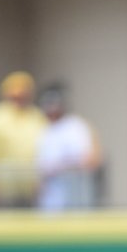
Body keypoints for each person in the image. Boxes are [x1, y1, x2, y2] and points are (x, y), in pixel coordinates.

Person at [0, 71, 47, 208]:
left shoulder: (38, 117)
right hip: (3, 189)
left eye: (23, 95)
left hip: (32, 187)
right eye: (15, 95)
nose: (19, 99)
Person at [35, 81, 101, 211]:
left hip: (73, 193)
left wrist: (60, 167)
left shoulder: (74, 127)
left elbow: (89, 160)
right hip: (51, 196)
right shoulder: (45, 130)